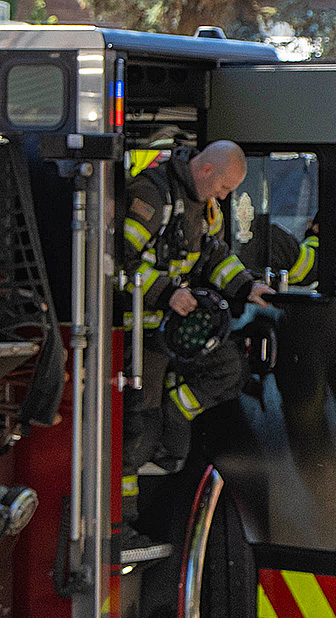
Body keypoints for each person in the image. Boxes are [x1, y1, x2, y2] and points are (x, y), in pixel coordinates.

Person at [117, 140, 273, 551]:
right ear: (205, 171)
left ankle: (174, 409)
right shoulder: (153, 193)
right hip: (139, 331)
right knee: (137, 427)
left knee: (230, 370)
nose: (224, 197)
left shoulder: (204, 207)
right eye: (223, 187)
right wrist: (166, 292)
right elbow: (118, 255)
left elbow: (213, 256)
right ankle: (119, 528)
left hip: (173, 332)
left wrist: (247, 285)